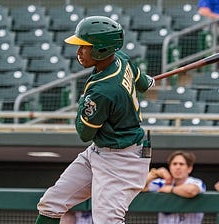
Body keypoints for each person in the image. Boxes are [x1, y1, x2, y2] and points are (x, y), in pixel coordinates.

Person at [35, 16, 155, 224]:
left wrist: (84, 103)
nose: (79, 51)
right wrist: (145, 83)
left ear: (102, 49)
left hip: (122, 159)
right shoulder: (121, 59)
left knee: (107, 221)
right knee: (51, 203)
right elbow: (142, 82)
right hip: (101, 150)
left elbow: (85, 133)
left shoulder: (103, 91)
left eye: (84, 46)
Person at [143, 150, 206, 224]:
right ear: (170, 167)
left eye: (181, 164)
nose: (178, 167)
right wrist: (155, 173)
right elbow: (139, 186)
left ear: (189, 168)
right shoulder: (163, 183)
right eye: (174, 164)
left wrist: (171, 189)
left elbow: (191, 191)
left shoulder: (196, 182)